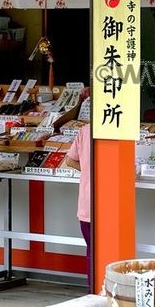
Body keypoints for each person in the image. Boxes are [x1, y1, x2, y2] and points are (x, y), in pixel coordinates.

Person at [62, 122, 92, 290]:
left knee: (91, 250)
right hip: (109, 203)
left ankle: (92, 289)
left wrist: (88, 170)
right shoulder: (119, 128)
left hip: (87, 203)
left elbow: (70, 160)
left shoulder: (85, 131)